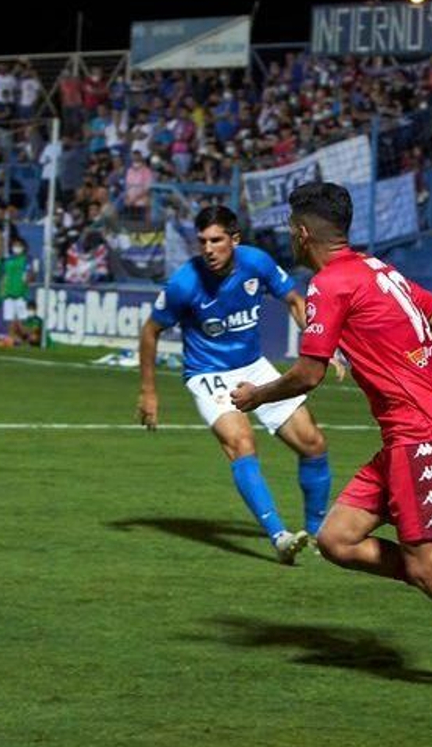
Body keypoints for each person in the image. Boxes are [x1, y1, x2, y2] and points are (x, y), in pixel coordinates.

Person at [231, 182, 432, 700]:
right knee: (337, 539)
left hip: (419, 434)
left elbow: (310, 374)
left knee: (426, 567)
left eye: (291, 226)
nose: (289, 234)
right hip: (409, 431)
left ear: (302, 231)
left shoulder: (330, 285)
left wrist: (257, 396)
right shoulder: (378, 269)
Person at [136, 205, 333, 564]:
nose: (208, 249)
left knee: (313, 443)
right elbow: (150, 332)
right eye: (202, 242)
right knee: (242, 442)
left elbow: (293, 300)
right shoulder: (184, 283)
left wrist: (322, 343)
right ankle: (280, 537)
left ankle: (318, 535)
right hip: (208, 373)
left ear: (234, 239)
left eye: (216, 240)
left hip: (254, 367)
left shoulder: (256, 262)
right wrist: (148, 391)